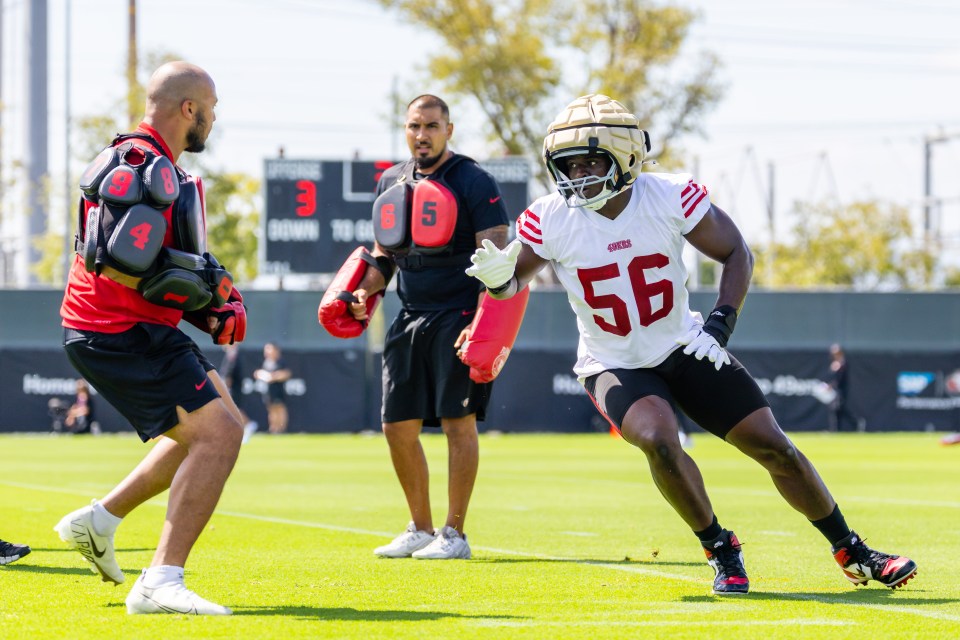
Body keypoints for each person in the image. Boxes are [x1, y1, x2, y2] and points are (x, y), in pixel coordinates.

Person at [466, 94, 917, 593]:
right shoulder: (550, 217)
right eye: (567, 164)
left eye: (590, 160)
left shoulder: (668, 195)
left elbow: (736, 252)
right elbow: (510, 284)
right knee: (660, 441)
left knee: (776, 449)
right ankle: (720, 547)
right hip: (612, 360)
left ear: (625, 157)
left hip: (685, 345)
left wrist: (721, 325)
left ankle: (854, 553)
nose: (577, 174)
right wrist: (495, 280)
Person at [55, 61, 247, 615]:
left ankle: (99, 520)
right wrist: (205, 302)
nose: (214, 117)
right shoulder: (141, 166)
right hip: (115, 331)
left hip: (133, 327)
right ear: (190, 109)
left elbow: (153, 262)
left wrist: (208, 307)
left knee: (216, 428)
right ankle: (159, 582)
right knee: (219, 438)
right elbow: (118, 265)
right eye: (211, 107)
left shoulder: (148, 162)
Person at [345, 95, 510, 560]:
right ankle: (420, 528)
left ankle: (454, 535)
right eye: (415, 126)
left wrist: (480, 323)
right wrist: (366, 292)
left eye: (432, 126)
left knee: (458, 424)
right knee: (396, 425)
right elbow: (384, 256)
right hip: (409, 313)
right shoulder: (390, 180)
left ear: (449, 130)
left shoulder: (475, 180)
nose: (422, 134)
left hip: (459, 314)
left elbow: (495, 261)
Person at [220, 344, 258, 442]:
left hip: (233, 389)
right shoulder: (231, 355)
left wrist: (224, 388)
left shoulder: (233, 355)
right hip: (231, 389)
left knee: (235, 409)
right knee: (231, 410)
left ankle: (249, 424)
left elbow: (229, 376)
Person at [253, 342, 292, 434]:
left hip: (278, 390)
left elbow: (286, 373)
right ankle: (273, 428)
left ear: (276, 350)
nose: (267, 352)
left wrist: (273, 377)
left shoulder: (280, 361)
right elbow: (258, 373)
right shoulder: (266, 363)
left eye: (269, 349)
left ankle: (281, 429)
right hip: (268, 391)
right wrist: (263, 375)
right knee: (271, 409)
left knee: (280, 408)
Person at [826, 343, 865, 432]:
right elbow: (833, 377)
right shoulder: (834, 364)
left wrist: (832, 385)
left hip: (841, 391)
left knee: (838, 409)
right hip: (835, 391)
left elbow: (840, 379)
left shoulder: (843, 363)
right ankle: (836, 430)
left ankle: (856, 422)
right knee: (837, 410)